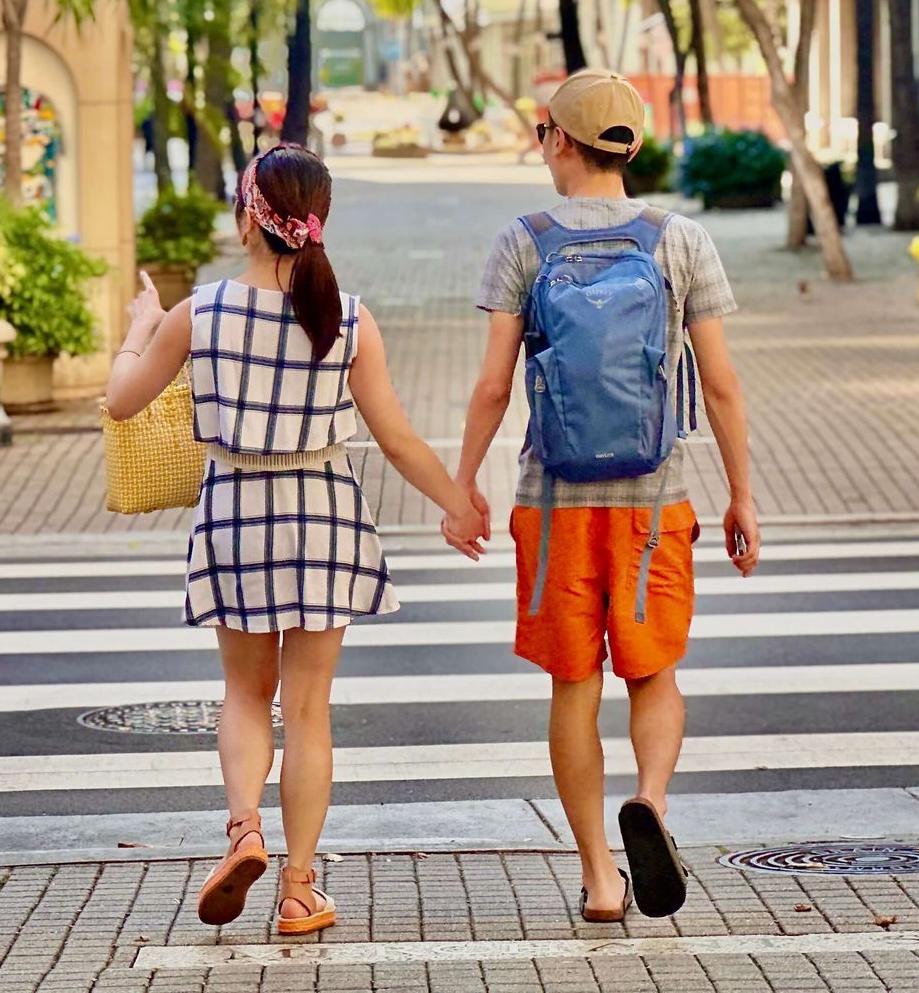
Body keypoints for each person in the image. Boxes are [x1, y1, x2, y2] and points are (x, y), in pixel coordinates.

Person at [108, 145, 486, 936]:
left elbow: (122, 402)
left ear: (247, 216)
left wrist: (140, 329)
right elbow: (398, 438)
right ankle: (299, 887)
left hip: (235, 513)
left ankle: (243, 828)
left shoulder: (199, 312)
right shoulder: (348, 317)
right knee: (308, 710)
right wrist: (457, 502)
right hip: (322, 512)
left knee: (246, 695)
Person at [456, 69, 759, 923]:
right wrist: (743, 495)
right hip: (654, 501)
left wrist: (461, 488)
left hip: (551, 507)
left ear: (558, 137)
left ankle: (598, 877)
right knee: (654, 671)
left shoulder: (525, 239)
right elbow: (724, 384)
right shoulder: (680, 239)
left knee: (572, 684)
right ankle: (651, 806)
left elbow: (489, 387)